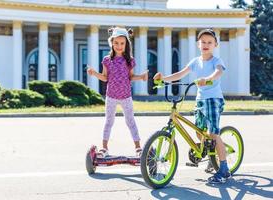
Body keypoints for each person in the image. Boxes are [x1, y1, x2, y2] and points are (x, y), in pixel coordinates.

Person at [153, 28, 231, 184]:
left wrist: (208, 79)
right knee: (199, 132)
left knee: (213, 134)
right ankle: (210, 153)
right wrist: (164, 80)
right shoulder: (195, 62)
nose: (206, 45)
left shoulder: (217, 61)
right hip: (200, 100)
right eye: (203, 42)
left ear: (215, 44)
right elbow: (180, 74)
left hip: (213, 99)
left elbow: (218, 72)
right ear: (198, 44)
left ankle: (224, 169)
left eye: (209, 42)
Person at [87, 27, 148, 158]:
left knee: (130, 121)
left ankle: (138, 148)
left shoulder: (129, 60)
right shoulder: (107, 60)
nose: (119, 46)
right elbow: (105, 77)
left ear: (126, 44)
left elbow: (130, 77)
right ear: (112, 43)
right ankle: (104, 147)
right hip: (111, 97)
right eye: (116, 43)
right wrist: (94, 73)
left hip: (126, 97)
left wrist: (141, 77)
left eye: (122, 43)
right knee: (109, 121)